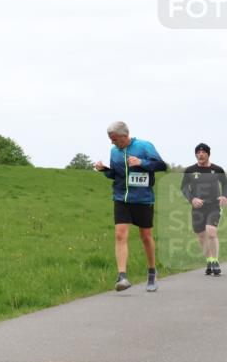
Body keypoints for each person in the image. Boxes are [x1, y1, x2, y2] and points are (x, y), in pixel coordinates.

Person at [94, 121, 167, 291]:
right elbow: (116, 174)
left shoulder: (144, 146)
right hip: (121, 197)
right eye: (110, 140)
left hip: (142, 199)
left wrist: (142, 162)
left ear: (125, 136)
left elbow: (162, 166)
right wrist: (104, 170)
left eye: (115, 139)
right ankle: (122, 277)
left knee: (146, 236)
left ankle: (151, 271)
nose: (112, 143)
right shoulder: (114, 151)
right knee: (120, 234)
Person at [180, 143, 226, 276]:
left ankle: (215, 262)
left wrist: (224, 195)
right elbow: (183, 187)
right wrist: (192, 199)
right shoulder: (190, 170)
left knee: (211, 233)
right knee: (201, 236)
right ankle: (209, 260)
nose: (200, 154)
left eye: (203, 152)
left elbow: (225, 184)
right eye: (198, 153)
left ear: (208, 154)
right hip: (197, 208)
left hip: (213, 205)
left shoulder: (217, 169)